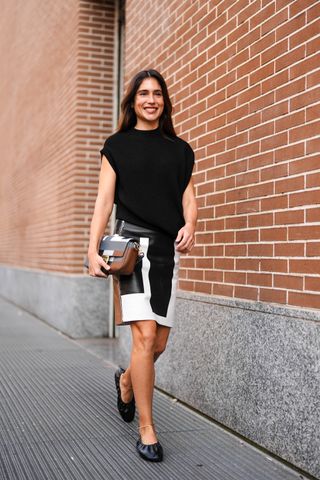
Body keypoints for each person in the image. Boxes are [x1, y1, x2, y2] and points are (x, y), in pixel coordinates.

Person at [87, 69, 197, 462]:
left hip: (167, 253)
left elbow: (188, 198)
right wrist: (90, 248)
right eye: (143, 93)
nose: (151, 100)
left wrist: (191, 224)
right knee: (145, 339)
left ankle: (127, 384)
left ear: (164, 102)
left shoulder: (180, 150)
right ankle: (148, 430)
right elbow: (104, 201)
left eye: (158, 94)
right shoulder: (116, 146)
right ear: (132, 101)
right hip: (130, 249)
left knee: (159, 344)